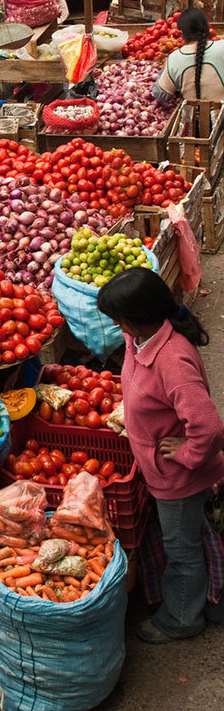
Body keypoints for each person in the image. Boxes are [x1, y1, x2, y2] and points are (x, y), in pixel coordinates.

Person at [97, 268, 224, 643]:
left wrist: (187, 453)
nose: (116, 324)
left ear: (138, 318)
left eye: (119, 318)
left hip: (178, 478)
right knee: (187, 538)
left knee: (181, 550)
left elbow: (210, 427)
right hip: (162, 470)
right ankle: (205, 599)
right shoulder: (140, 337)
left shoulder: (172, 361)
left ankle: (183, 618)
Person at [153, 8, 224, 104]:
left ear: (181, 33)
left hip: (193, 117)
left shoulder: (175, 58)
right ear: (207, 28)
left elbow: (161, 95)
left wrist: (165, 69)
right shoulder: (222, 47)